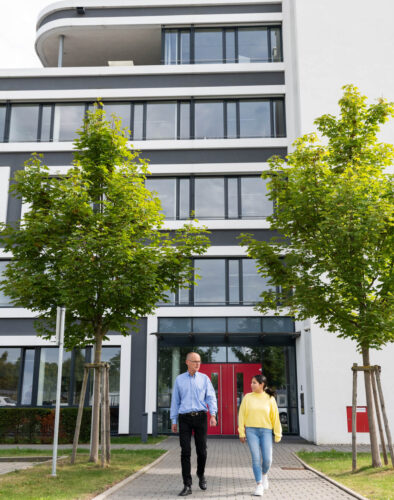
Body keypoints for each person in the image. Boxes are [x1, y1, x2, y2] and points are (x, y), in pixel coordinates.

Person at [170, 352, 218, 496]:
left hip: (201, 417)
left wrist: (213, 415)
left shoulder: (204, 379)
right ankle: (187, 485)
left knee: (202, 450)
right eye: (194, 361)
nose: (197, 364)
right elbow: (175, 401)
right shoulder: (179, 380)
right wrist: (174, 420)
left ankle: (201, 474)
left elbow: (211, 397)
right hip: (184, 418)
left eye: (199, 361)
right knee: (185, 451)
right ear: (187, 362)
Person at [238, 374, 282, 497]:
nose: (251, 385)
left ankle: (264, 475)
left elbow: (275, 417)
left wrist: (277, 433)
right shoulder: (247, 397)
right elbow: (241, 415)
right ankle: (259, 485)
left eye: (254, 383)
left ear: (261, 385)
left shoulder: (269, 399)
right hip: (251, 431)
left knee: (268, 459)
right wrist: (241, 432)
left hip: (266, 431)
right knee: (256, 458)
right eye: (251, 382)